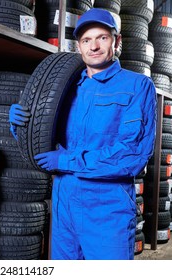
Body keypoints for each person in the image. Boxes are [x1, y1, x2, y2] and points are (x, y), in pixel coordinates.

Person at [9, 8, 157, 260]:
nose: (94, 46)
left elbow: (131, 157)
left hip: (107, 210)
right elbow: (42, 141)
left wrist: (66, 161)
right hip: (64, 206)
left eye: (102, 38)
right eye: (86, 40)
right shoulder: (65, 88)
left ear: (116, 41)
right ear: (79, 46)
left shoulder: (138, 86)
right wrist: (22, 125)